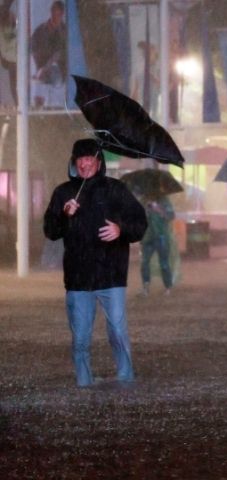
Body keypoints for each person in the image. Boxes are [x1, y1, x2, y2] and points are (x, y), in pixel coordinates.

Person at [43, 139, 147, 387]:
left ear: (98, 162)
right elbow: (50, 230)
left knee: (118, 332)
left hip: (111, 275)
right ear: (74, 163)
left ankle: (125, 378)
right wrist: (64, 215)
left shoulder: (116, 189)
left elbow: (140, 223)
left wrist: (121, 229)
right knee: (80, 338)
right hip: (78, 279)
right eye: (80, 159)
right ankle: (84, 382)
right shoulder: (63, 193)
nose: (85, 164)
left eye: (90, 159)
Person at [30, 0, 66, 108]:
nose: (56, 17)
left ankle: (54, 108)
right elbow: (33, 48)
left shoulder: (65, 32)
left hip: (59, 71)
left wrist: (46, 68)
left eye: (58, 14)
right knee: (38, 80)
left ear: (62, 14)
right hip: (41, 69)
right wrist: (40, 67)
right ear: (50, 12)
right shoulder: (40, 30)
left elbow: (60, 54)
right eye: (54, 13)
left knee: (55, 79)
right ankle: (39, 107)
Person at [139, 195, 175, 296]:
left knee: (164, 263)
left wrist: (158, 209)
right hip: (147, 237)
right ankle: (145, 287)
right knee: (144, 262)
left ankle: (168, 287)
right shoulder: (144, 200)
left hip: (161, 236)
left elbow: (171, 216)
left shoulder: (164, 200)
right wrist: (145, 211)